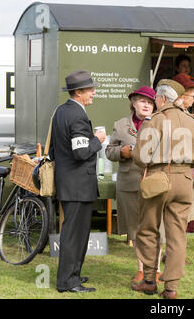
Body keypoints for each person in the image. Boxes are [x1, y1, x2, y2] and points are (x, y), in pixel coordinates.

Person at [131, 79, 194, 299]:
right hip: (184, 180)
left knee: (148, 230)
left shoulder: (156, 119)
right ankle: (171, 288)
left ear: (161, 99)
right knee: (177, 235)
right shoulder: (192, 121)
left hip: (159, 179)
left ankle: (150, 281)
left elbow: (140, 157)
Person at [50, 70, 106, 293]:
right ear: (78, 92)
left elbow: (56, 149)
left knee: (75, 234)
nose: (93, 92)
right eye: (90, 89)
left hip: (69, 183)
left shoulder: (62, 111)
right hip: (78, 186)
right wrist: (97, 140)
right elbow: (81, 152)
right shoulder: (76, 115)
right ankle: (68, 282)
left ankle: (72, 275)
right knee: (74, 235)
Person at [105, 86, 164, 284]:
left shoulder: (161, 123)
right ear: (133, 103)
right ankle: (141, 270)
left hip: (155, 181)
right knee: (136, 229)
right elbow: (109, 151)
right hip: (129, 183)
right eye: (142, 101)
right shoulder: (121, 125)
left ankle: (155, 269)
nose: (146, 105)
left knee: (156, 226)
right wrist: (121, 152)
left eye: (150, 102)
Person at [173, 73, 194, 233]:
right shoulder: (175, 115)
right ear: (181, 96)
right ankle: (173, 255)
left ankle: (175, 254)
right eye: (191, 95)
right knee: (178, 216)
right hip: (181, 171)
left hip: (188, 170)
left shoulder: (186, 115)